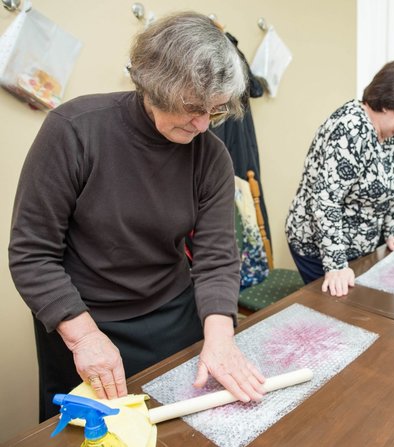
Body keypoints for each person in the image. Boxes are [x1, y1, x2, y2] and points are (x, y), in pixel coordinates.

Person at [8, 12, 266, 422]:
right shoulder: (74, 131)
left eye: (214, 111)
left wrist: (220, 339)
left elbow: (216, 257)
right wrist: (84, 338)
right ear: (153, 83)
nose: (202, 125)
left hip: (172, 314)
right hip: (82, 318)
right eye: (192, 107)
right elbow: (32, 254)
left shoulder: (211, 155)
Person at [285, 60, 394, 297]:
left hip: (358, 246)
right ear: (389, 105)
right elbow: (325, 201)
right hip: (320, 248)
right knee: (340, 311)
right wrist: (336, 265)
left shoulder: (386, 132)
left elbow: (391, 184)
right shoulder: (351, 128)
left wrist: (393, 231)